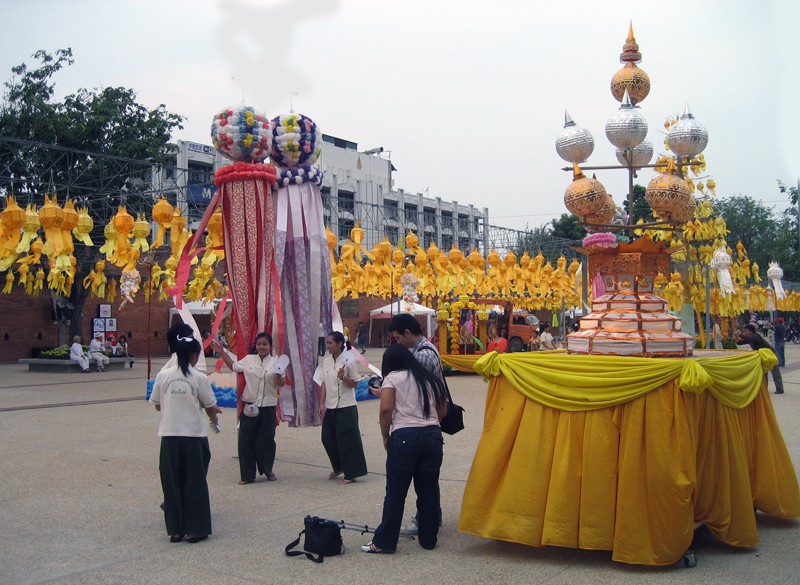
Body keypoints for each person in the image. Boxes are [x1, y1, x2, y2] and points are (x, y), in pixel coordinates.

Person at [361, 343, 448, 554]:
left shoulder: (393, 378)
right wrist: (432, 423)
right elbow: (444, 406)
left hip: (404, 438)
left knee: (396, 492)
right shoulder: (429, 377)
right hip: (432, 436)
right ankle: (429, 539)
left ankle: (384, 542)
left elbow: (386, 409)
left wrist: (385, 435)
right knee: (428, 490)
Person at [150, 335, 222, 543]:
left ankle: (176, 529)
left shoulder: (163, 375)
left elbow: (157, 404)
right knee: (195, 482)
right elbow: (210, 406)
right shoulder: (199, 377)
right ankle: (196, 529)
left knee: (171, 482)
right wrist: (214, 416)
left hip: (170, 435)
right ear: (194, 355)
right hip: (194, 435)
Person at [386, 313, 444, 536]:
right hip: (428, 425)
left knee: (423, 481)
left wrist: (388, 391)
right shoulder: (423, 351)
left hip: (419, 424)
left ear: (408, 333)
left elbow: (418, 391)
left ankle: (425, 521)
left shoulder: (423, 357)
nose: (398, 343)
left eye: (398, 338)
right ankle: (430, 521)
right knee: (427, 479)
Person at [212, 333, 284, 484]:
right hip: (250, 406)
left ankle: (267, 470)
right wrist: (222, 352)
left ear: (270, 346)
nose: (261, 347)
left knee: (266, 440)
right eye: (259, 344)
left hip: (268, 406)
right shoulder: (248, 360)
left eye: (265, 344)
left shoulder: (276, 362)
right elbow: (233, 366)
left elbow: (281, 383)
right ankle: (247, 475)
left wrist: (279, 378)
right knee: (245, 440)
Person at [317, 331, 367, 484]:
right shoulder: (325, 361)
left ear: (339, 344)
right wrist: (321, 402)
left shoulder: (349, 361)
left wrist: (343, 377)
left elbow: (355, 384)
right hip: (331, 406)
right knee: (327, 437)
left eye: (331, 343)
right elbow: (324, 382)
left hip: (346, 405)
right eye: (327, 343)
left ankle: (351, 473)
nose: (328, 346)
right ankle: (338, 466)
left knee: (347, 440)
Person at [734, 324, 784, 394]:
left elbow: (751, 339)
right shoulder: (749, 338)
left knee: (775, 372)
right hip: (763, 355)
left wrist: (740, 335)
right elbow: (739, 343)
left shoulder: (755, 335)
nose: (745, 332)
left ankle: (780, 389)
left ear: (751, 331)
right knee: (764, 372)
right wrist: (736, 335)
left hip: (770, 354)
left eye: (746, 331)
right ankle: (765, 389)